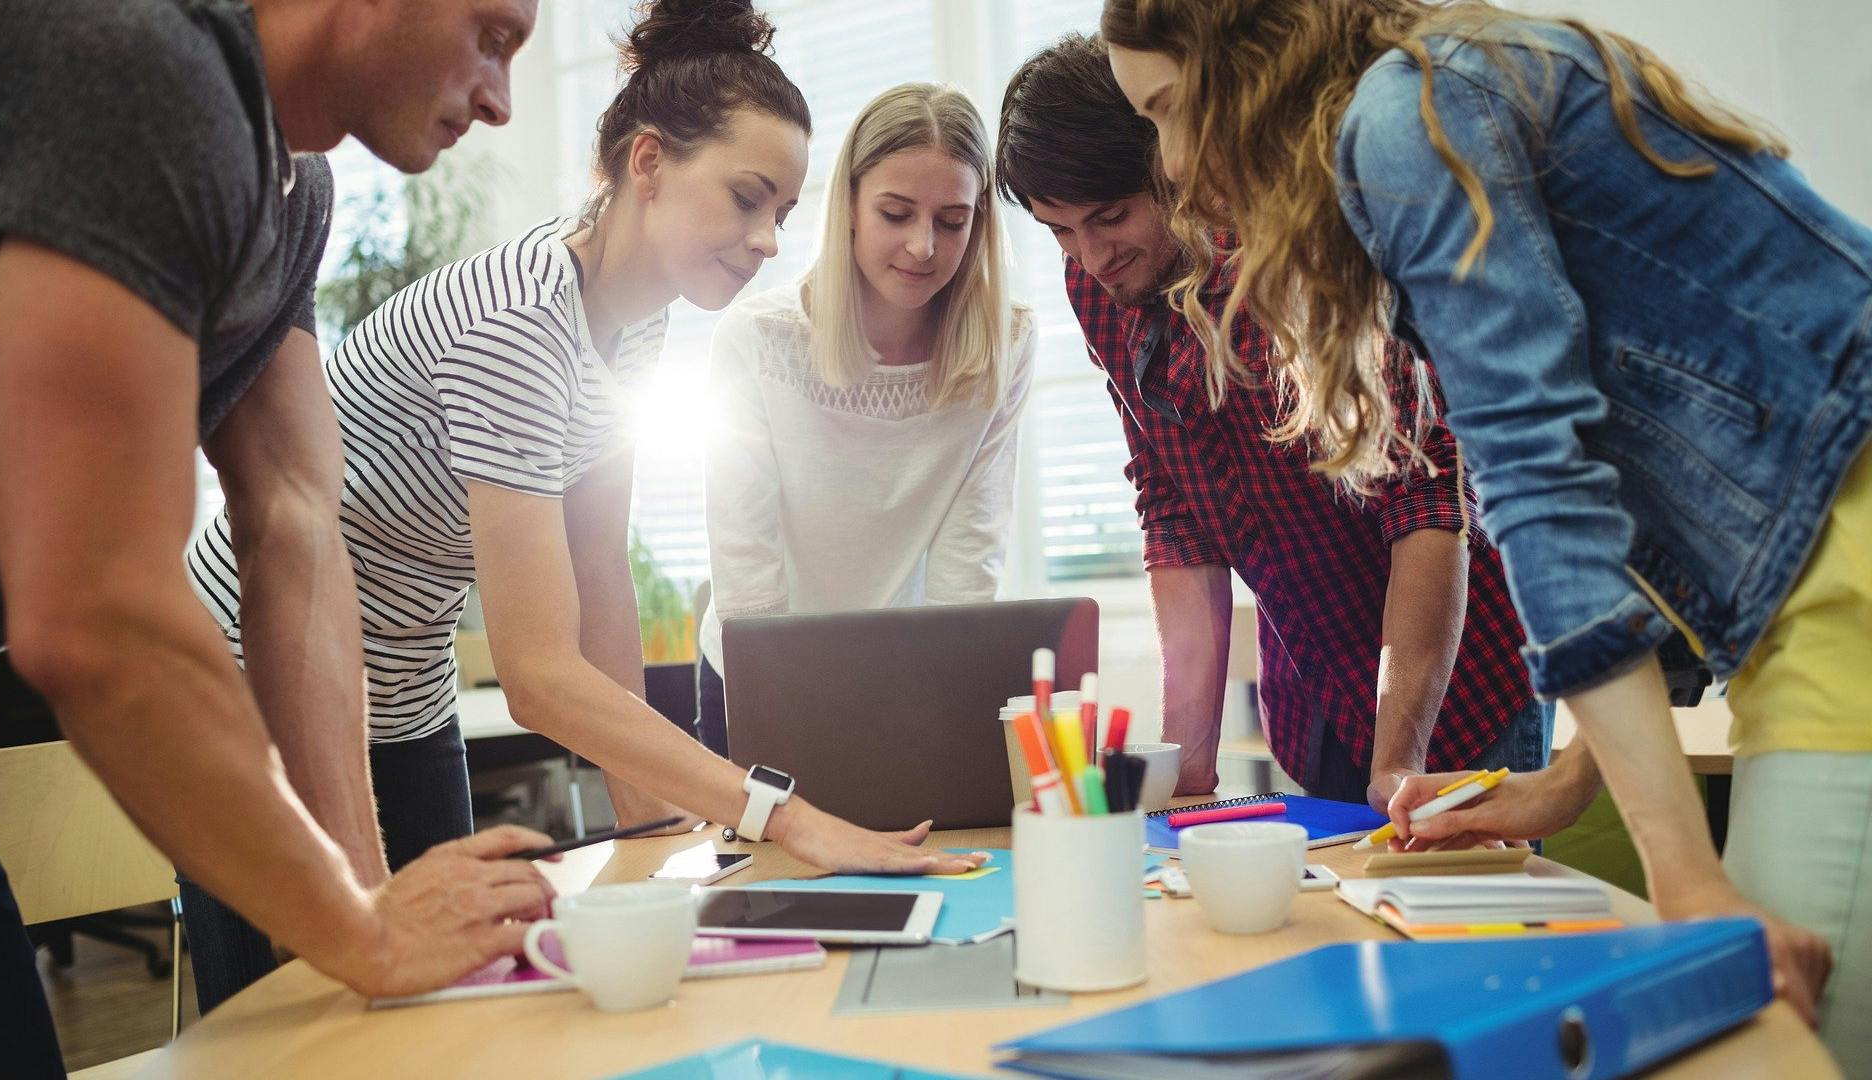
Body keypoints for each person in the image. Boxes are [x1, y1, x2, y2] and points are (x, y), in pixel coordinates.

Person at [183, 1, 987, 1007]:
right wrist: (777, 815)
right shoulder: (518, 321)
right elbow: (538, 675)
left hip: (404, 686)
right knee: (301, 1024)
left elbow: (599, 580)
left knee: (438, 1006)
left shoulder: (633, 329)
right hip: (259, 670)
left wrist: (655, 832)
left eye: (782, 210)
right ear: (646, 164)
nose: (769, 240)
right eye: (746, 199)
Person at [1100, 0, 1868, 1053]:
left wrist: (1686, 878)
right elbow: (1653, 499)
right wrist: (1565, 784)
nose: (1175, 162)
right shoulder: (1445, 82)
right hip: (1816, 588)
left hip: (1850, 586)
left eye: (1171, 108)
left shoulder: (1408, 117)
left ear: (1250, 55)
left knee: (1778, 1038)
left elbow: (1544, 488)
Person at [0, 0, 560, 1072]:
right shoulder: (140, 61)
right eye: (493, 36)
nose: (502, 100)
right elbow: (96, 615)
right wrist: (361, 932)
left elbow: (295, 522)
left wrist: (367, 902)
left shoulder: (291, 186)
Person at [994, 35, 1543, 808]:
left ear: (1173, 163)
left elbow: (1424, 501)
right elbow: (1173, 509)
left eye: (1110, 217)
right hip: (1315, 693)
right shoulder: (1100, 284)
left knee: (1467, 922)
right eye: (1059, 231)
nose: (1088, 257)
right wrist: (1186, 765)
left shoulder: (1295, 253)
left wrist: (1399, 762)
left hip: (1456, 686)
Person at [696, 83, 1036, 756]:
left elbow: (969, 562)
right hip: (758, 671)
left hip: (909, 675)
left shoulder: (1006, 344)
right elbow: (746, 568)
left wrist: (933, 706)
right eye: (896, 213)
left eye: (951, 220)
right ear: (849, 206)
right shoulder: (758, 340)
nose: (922, 247)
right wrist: (795, 712)